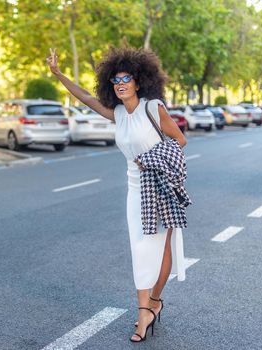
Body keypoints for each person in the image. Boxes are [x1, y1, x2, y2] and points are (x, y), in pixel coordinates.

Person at [46, 47, 187, 343]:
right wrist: (58, 74)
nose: (121, 83)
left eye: (126, 78)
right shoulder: (118, 113)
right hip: (135, 189)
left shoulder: (153, 108)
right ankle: (143, 310)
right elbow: (84, 97)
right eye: (115, 79)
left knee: (162, 248)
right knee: (139, 247)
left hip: (160, 183)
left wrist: (150, 159)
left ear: (138, 81)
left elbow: (180, 139)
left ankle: (155, 301)